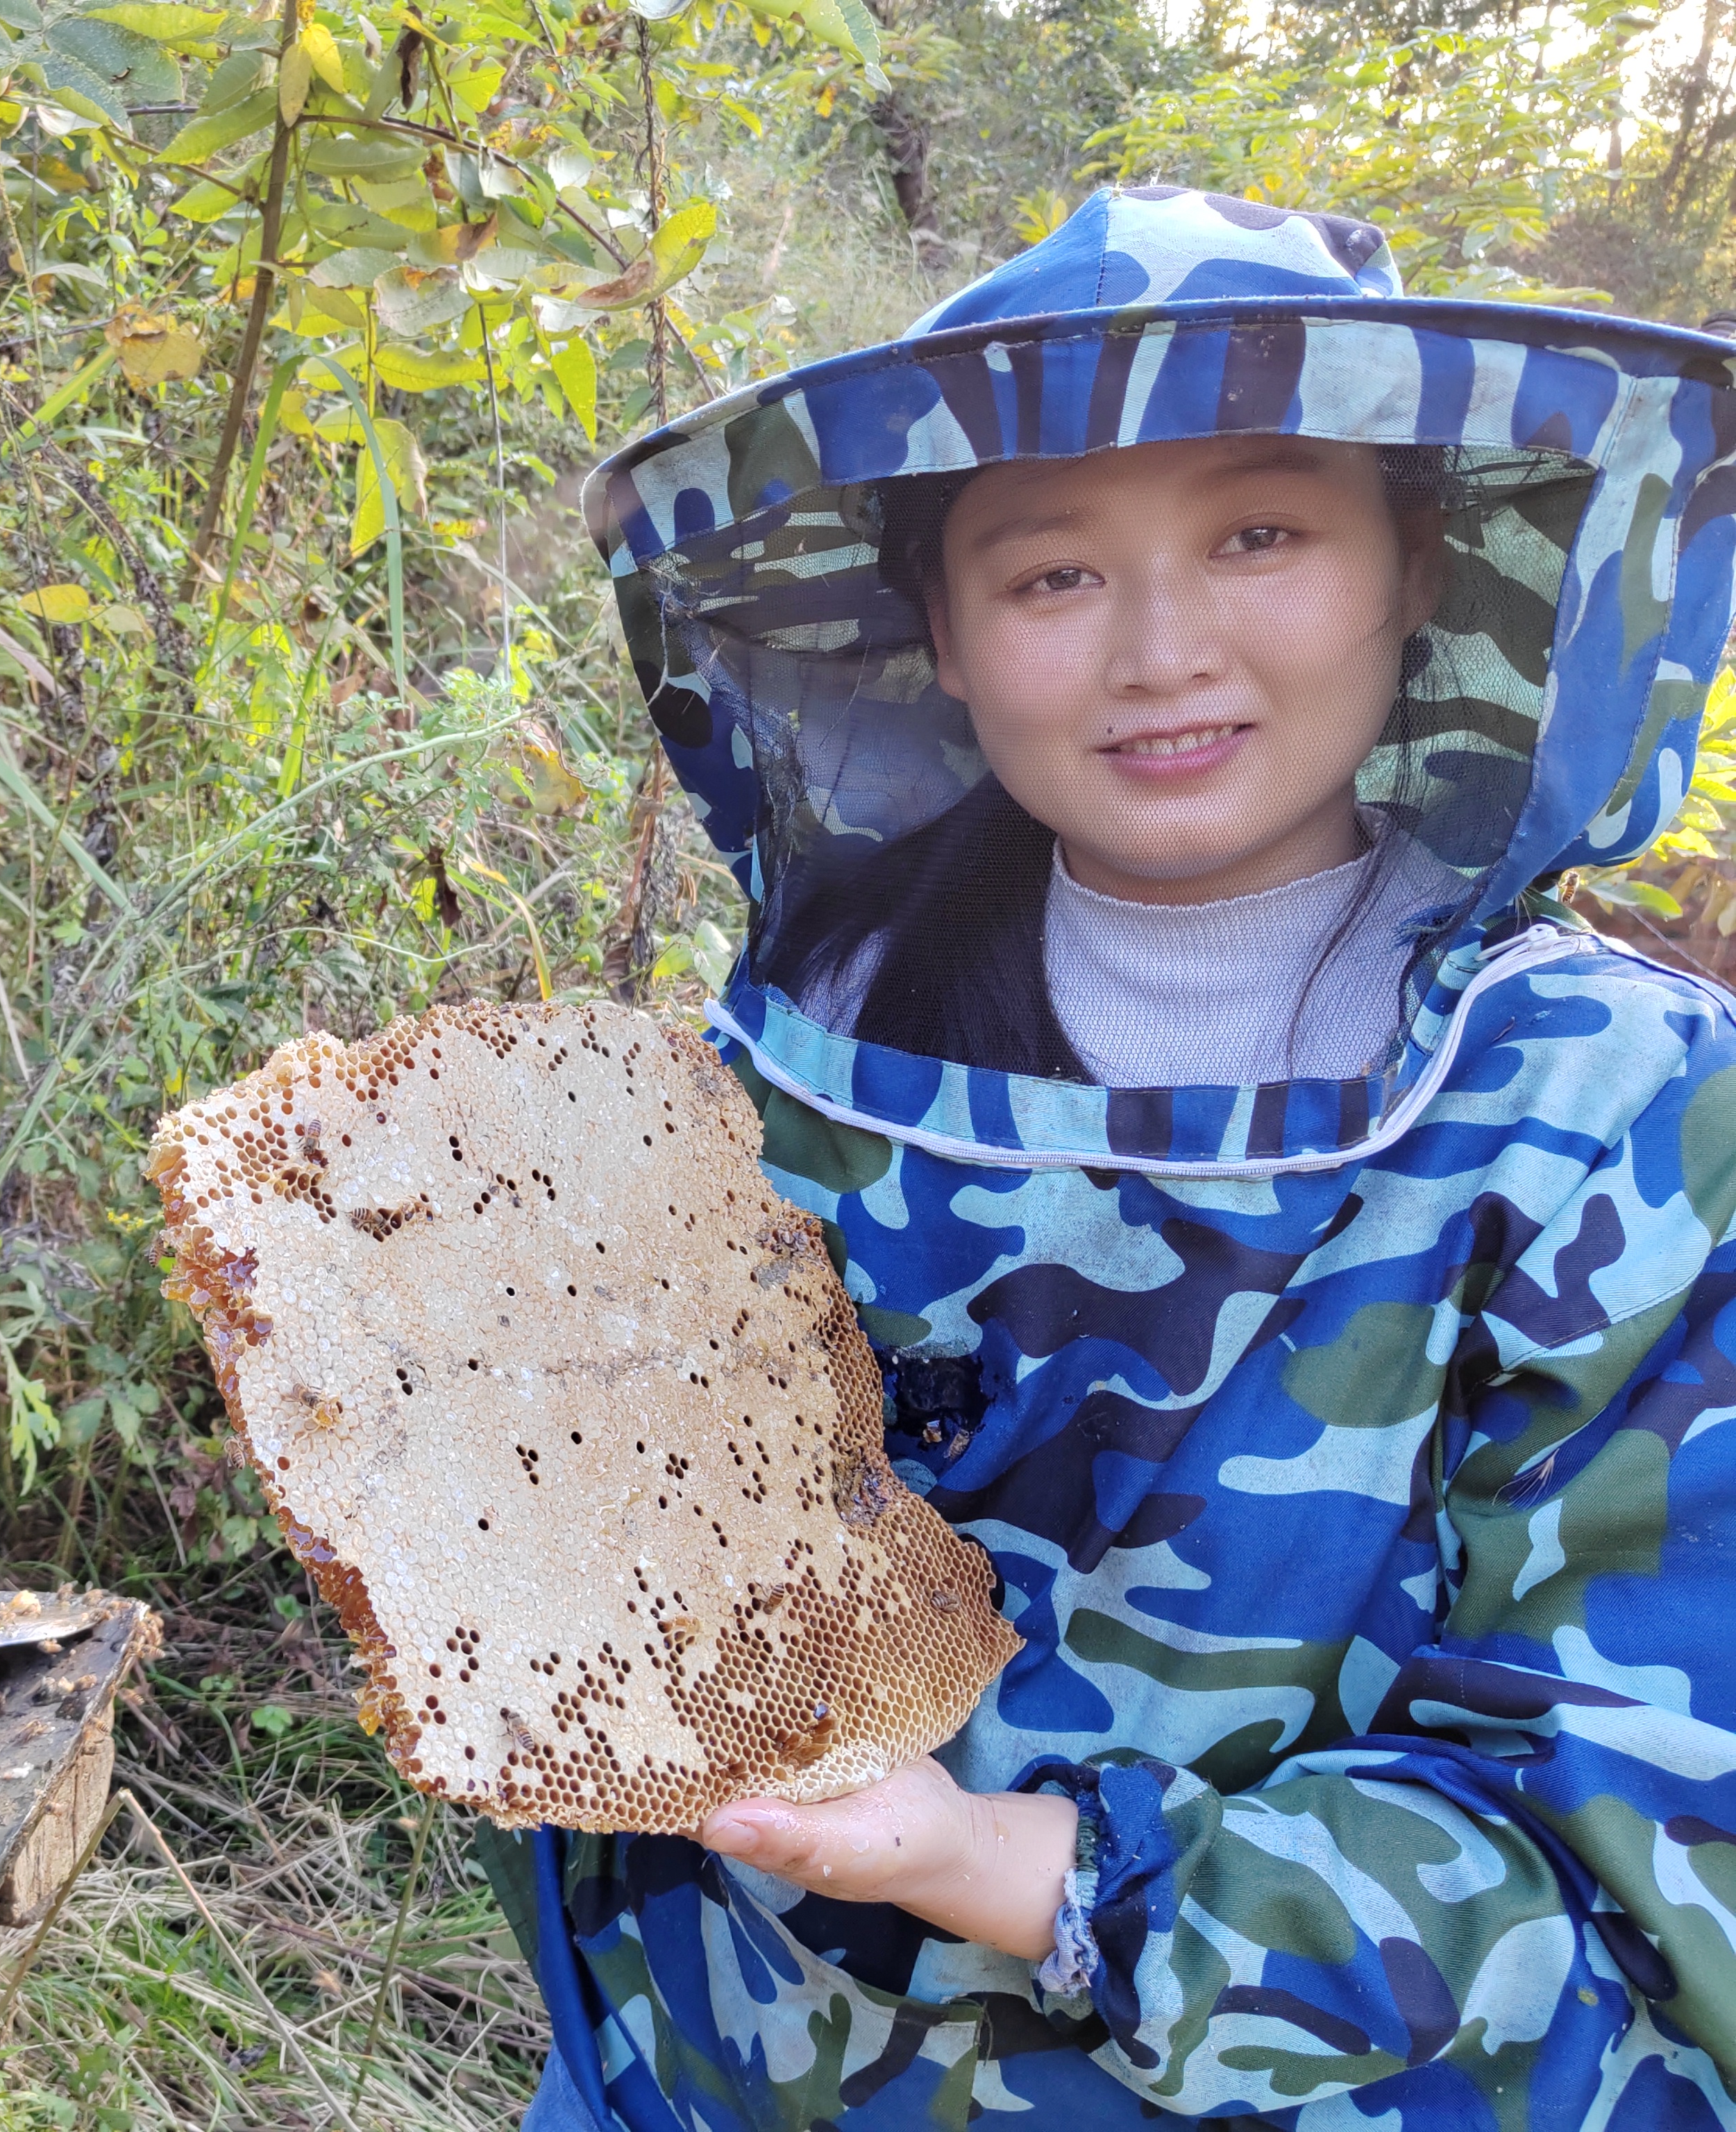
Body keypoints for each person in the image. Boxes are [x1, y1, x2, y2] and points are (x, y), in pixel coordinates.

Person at [481, 186, 1736, 2128]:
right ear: (944, 636)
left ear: (1416, 562)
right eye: (1052, 572)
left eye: (1259, 533)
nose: (1161, 652)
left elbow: (1641, 1856)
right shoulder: (810, 1038)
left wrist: (1004, 1865)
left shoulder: (1626, 1121)